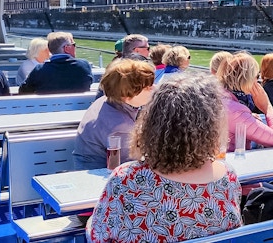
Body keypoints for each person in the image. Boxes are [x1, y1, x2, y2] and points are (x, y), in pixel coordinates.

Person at [87, 72, 242, 242]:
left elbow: (99, 236)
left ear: (150, 122)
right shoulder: (227, 177)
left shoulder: (126, 180)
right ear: (212, 126)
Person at [73, 59, 155, 170]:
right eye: (147, 88)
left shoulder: (105, 100)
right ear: (127, 94)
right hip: (101, 176)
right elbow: (131, 165)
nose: (154, 89)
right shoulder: (120, 126)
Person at [217, 52, 273, 151]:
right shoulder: (236, 112)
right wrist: (268, 108)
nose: (258, 81)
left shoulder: (220, 98)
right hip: (231, 163)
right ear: (247, 79)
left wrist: (248, 116)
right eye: (257, 76)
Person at [18, 32, 93, 94]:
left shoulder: (39, 70)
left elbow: (23, 91)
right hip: (80, 110)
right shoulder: (84, 65)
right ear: (67, 48)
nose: (75, 47)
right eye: (73, 45)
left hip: (47, 110)